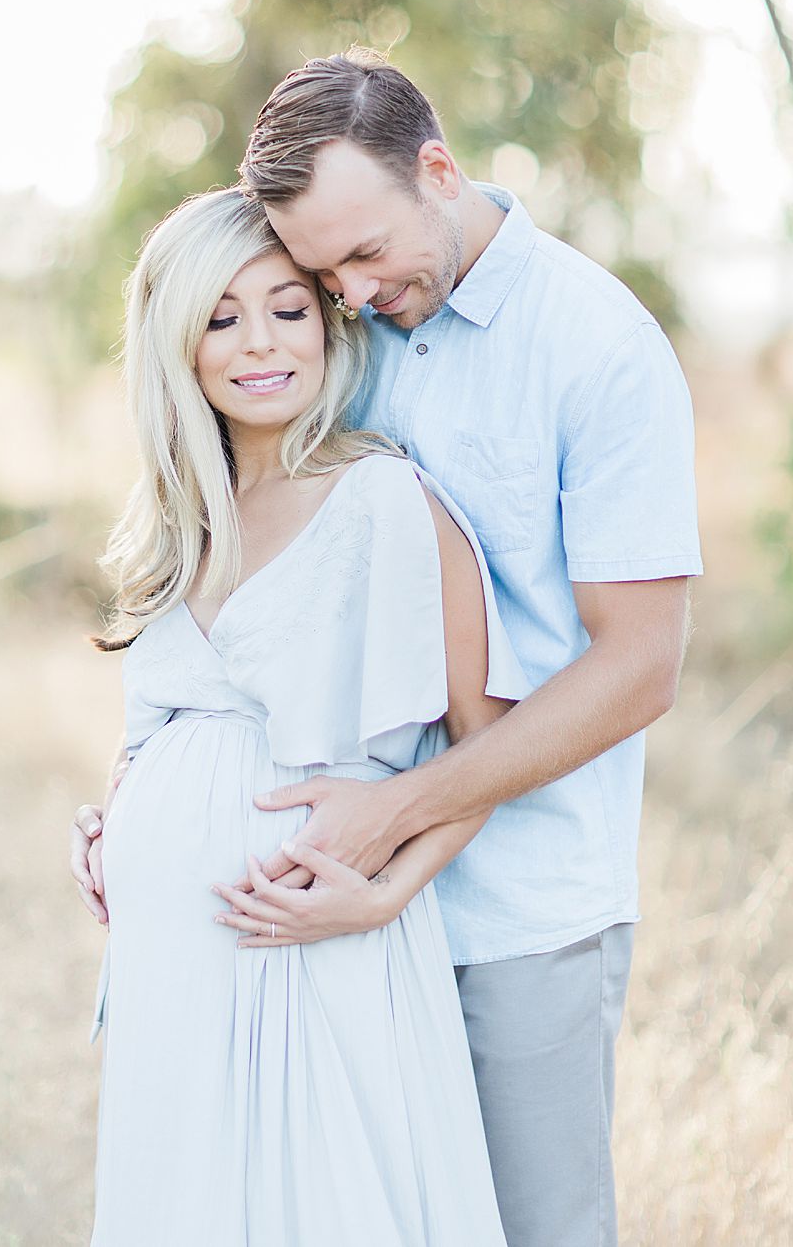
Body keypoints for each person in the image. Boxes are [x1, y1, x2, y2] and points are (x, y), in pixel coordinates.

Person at [73, 49, 700, 1247]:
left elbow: (638, 667)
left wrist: (395, 820)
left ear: (438, 168)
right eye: (321, 274)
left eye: (362, 255)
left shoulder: (594, 348)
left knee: (527, 1228)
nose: (349, 295)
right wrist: (141, 807)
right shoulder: (337, 343)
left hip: (514, 903)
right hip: (313, 938)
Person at [83, 186, 524, 1244]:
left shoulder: (382, 500)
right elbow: (162, 731)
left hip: (318, 946)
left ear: (326, 321)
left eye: (284, 307)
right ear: (176, 347)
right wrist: (113, 822)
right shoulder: (179, 525)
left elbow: (487, 746)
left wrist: (382, 898)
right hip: (174, 970)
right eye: (219, 318)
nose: (257, 344)